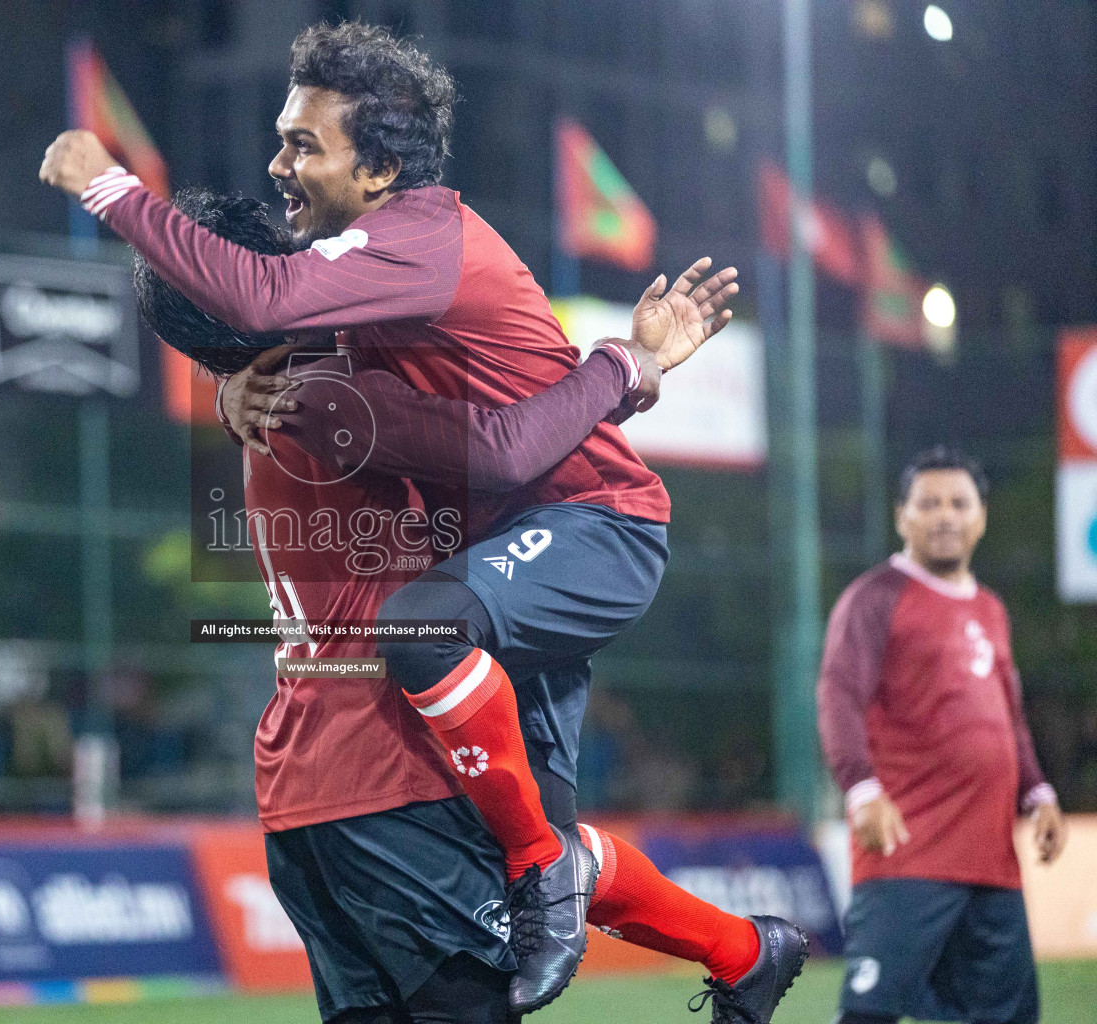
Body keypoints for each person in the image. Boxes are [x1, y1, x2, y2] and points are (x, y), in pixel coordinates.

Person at [133, 187, 797, 1024]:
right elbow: (506, 443)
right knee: (544, 861)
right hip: (393, 769)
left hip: (297, 791)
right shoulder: (339, 386)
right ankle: (739, 946)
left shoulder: (279, 397)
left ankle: (743, 949)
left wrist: (226, 388)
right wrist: (627, 361)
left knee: (548, 857)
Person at [817, 446, 1067, 1024]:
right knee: (868, 1014)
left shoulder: (991, 608)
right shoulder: (875, 596)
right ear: (901, 517)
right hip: (908, 848)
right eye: (928, 504)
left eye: (959, 503)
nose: (945, 515)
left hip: (991, 860)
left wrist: (1039, 794)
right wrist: (861, 790)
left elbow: (1009, 716)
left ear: (981, 516)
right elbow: (838, 695)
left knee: (1006, 1017)